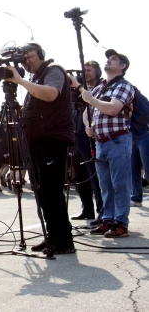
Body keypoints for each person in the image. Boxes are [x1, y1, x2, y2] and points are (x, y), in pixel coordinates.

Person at [6, 42, 75, 254]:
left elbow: (51, 94)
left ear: (41, 55)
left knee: (52, 191)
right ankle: (52, 236)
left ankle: (64, 241)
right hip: (37, 140)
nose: (27, 61)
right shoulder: (35, 79)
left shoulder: (53, 71)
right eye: (23, 58)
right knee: (42, 192)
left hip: (52, 139)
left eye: (30, 56)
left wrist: (20, 80)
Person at [77, 49, 134, 238]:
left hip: (118, 140)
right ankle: (107, 219)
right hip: (101, 142)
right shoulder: (100, 87)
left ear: (122, 66)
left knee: (120, 184)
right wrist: (87, 126)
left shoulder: (124, 86)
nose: (109, 60)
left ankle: (120, 223)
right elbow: (87, 111)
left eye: (114, 59)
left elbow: (113, 109)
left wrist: (91, 99)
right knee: (105, 186)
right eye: (108, 58)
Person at [69, 61, 103, 221]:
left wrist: (79, 88)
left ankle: (103, 211)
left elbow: (95, 103)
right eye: (84, 70)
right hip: (77, 136)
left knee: (94, 176)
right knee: (80, 176)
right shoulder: (78, 92)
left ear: (98, 72)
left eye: (89, 70)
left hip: (91, 138)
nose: (86, 73)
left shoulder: (101, 88)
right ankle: (87, 209)